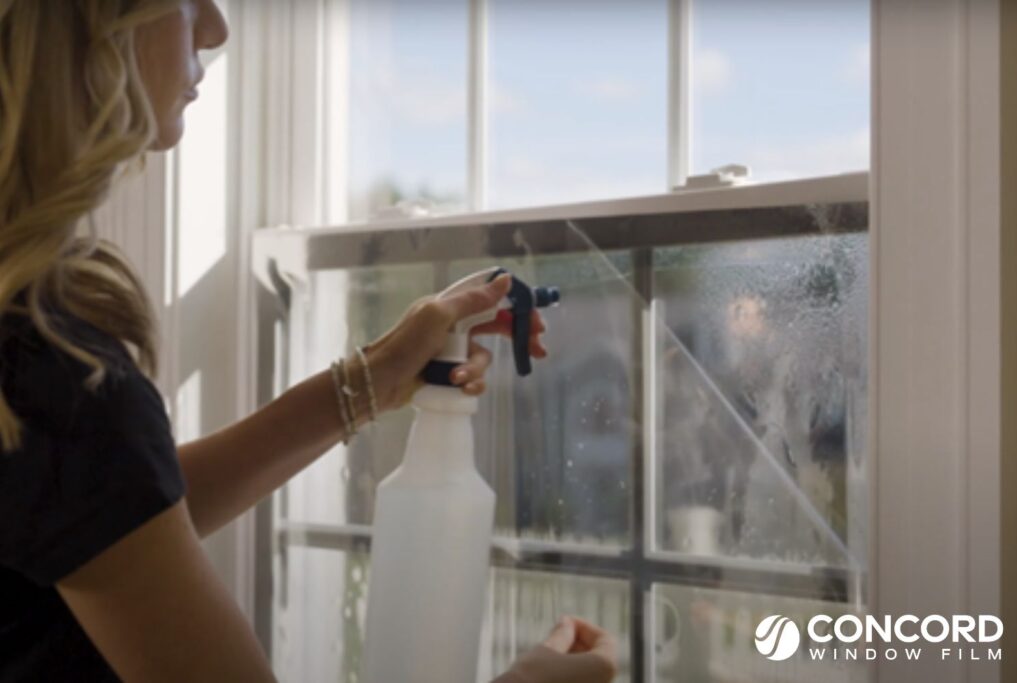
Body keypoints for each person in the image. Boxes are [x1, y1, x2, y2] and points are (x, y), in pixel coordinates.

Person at [0, 1, 618, 681]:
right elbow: (98, 481)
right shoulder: (57, 374)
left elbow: (107, 512)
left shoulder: (31, 358)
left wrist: (372, 376)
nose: (217, 29)